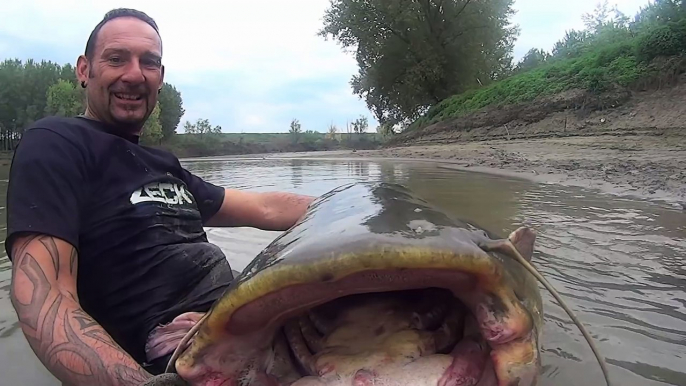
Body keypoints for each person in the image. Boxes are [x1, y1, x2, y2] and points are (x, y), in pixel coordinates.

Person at [5, 8, 314, 386]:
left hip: (249, 322)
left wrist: (348, 206)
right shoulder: (56, 143)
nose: (134, 74)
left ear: (160, 78)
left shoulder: (163, 163)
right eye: (117, 58)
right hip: (179, 359)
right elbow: (44, 295)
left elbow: (264, 208)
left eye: (148, 62)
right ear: (84, 70)